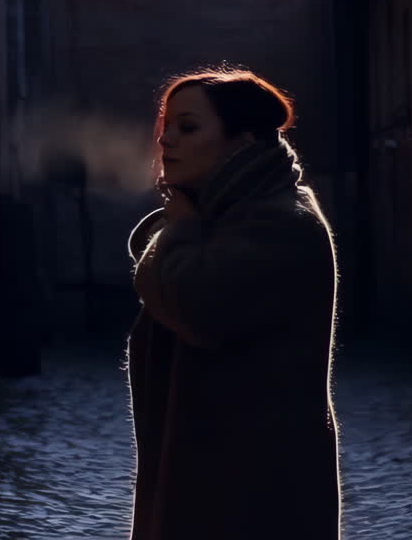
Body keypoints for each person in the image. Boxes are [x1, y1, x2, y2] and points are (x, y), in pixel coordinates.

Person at [125, 68, 342, 540]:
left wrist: (178, 230)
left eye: (188, 126)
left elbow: (196, 307)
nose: (166, 140)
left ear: (242, 140)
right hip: (208, 483)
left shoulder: (282, 221)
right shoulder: (222, 218)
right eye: (165, 126)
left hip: (252, 494)